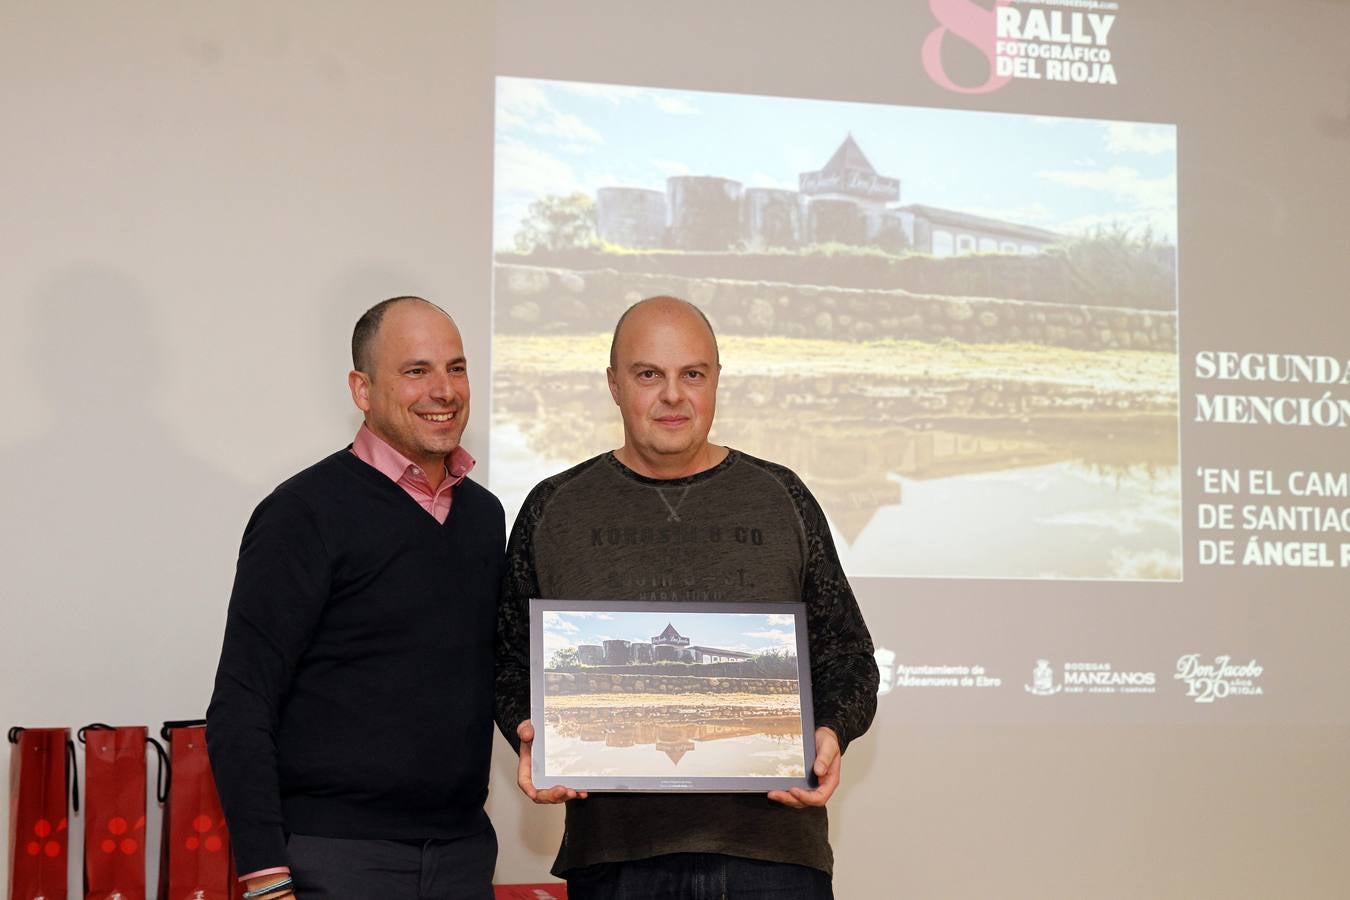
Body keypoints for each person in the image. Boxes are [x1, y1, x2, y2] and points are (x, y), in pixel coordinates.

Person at [495, 295, 879, 898]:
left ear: (716, 381)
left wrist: (830, 731)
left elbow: (848, 656)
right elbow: (510, 659)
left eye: (692, 374)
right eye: (649, 374)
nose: (673, 395)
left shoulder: (783, 498)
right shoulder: (553, 508)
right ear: (615, 385)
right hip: (615, 858)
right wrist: (528, 730)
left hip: (774, 855)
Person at [207, 296, 504, 900]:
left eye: (456, 367)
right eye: (416, 371)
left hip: (463, 856)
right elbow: (242, 700)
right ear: (362, 390)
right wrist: (266, 876)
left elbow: (488, 670)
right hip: (335, 860)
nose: (443, 390)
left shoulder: (484, 515)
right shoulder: (302, 513)